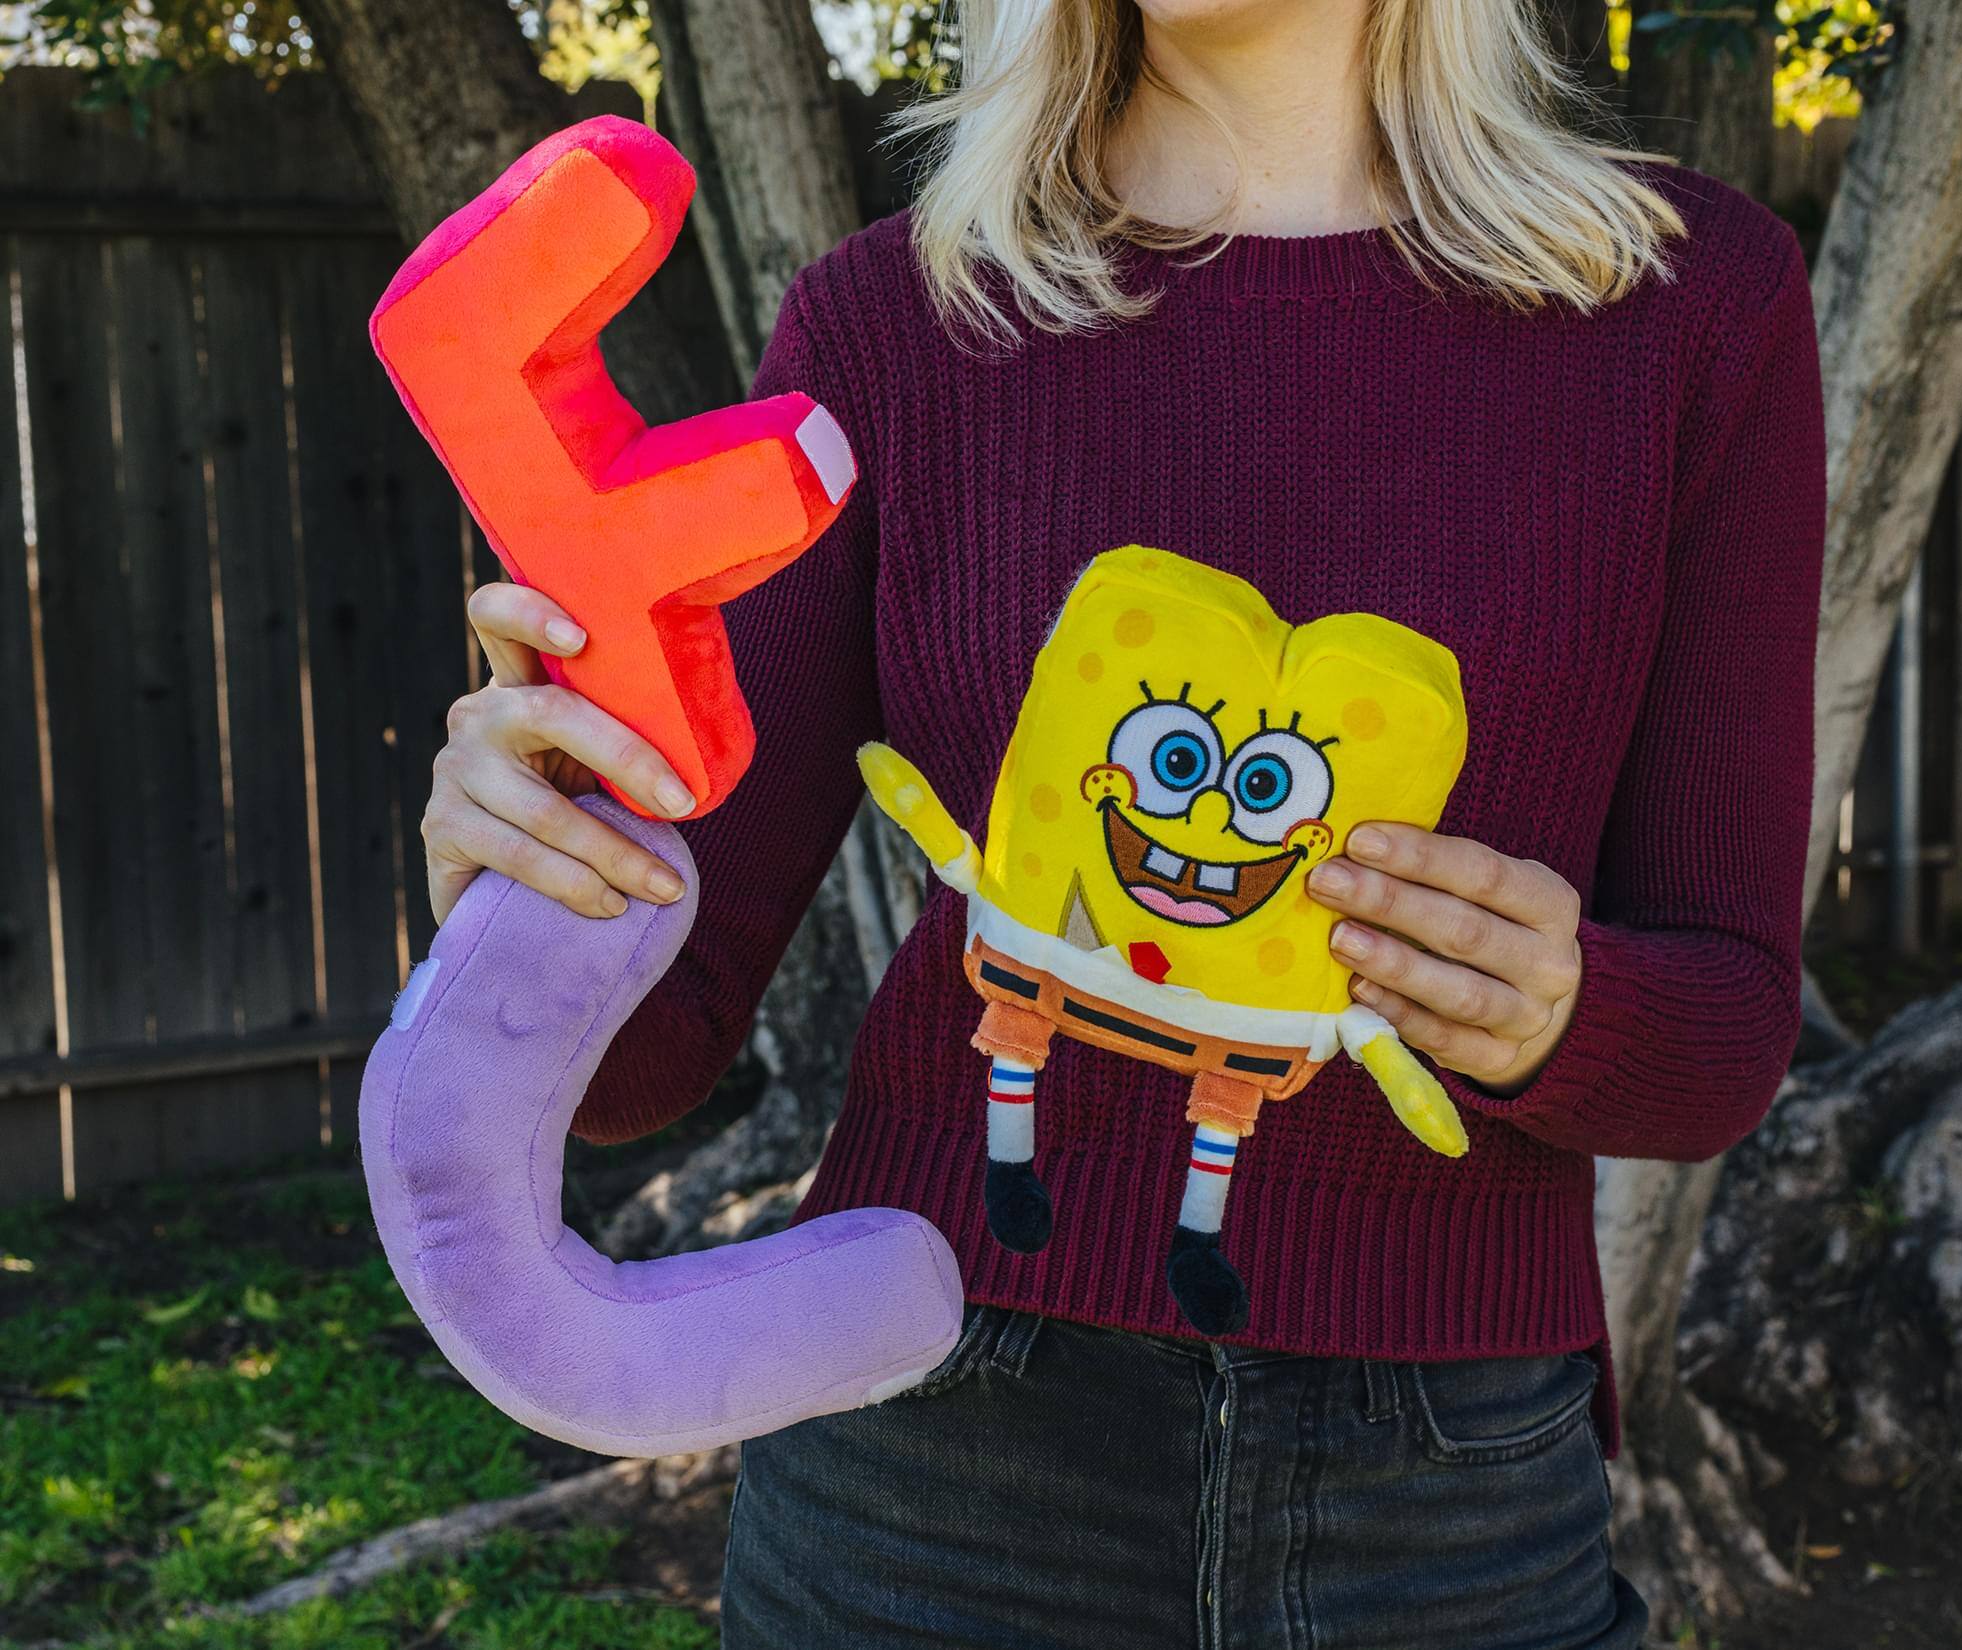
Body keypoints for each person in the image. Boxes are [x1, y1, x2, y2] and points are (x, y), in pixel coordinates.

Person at [420, 1, 1824, 1643]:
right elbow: (642, 1058)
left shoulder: (1681, 306)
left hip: (1445, 1502)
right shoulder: (896, 327)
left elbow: (1726, 1030)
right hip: (929, 1459)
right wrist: (518, 876)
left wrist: (1566, 1008)